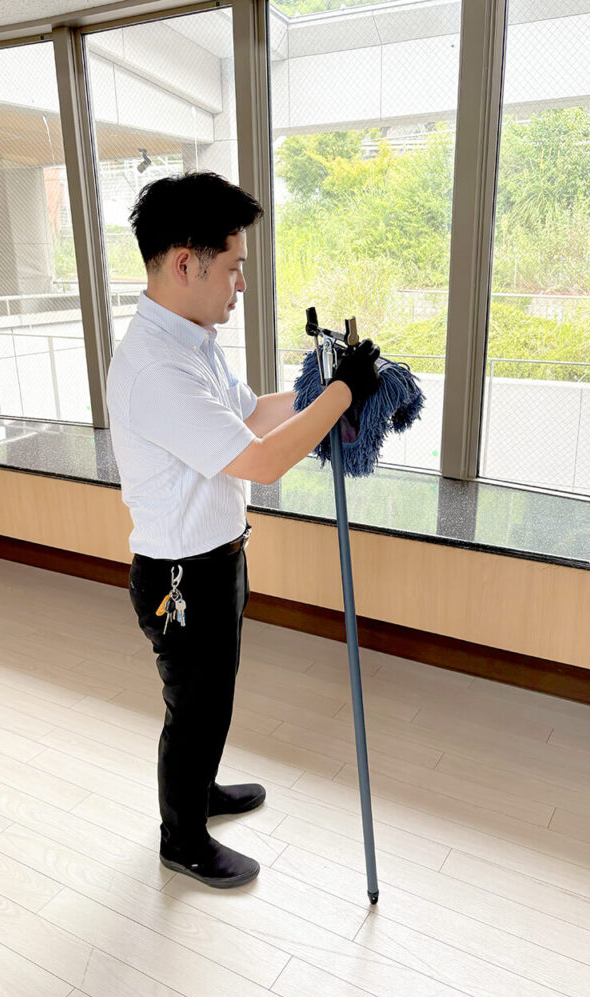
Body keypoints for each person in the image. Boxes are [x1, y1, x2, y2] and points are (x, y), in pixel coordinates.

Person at [106, 171, 380, 889]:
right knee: (194, 712)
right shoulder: (156, 369)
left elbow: (251, 414)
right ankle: (182, 840)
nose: (241, 284)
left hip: (218, 559)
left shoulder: (191, 341)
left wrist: (322, 387)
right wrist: (344, 395)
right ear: (185, 263)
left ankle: (200, 791)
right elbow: (262, 461)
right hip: (180, 580)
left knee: (214, 698)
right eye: (232, 267)